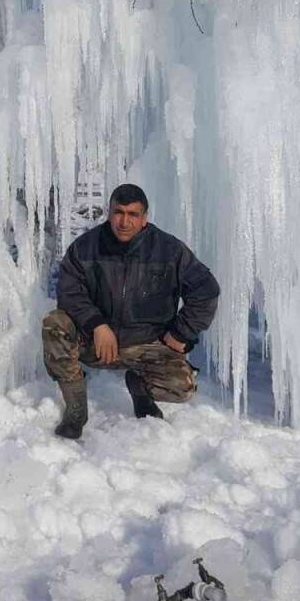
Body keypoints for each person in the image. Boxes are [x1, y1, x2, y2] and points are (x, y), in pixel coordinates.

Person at [42, 183, 220, 439]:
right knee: (54, 323)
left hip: (148, 344)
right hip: (96, 342)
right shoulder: (85, 248)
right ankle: (76, 410)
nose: (124, 222)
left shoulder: (169, 250)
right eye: (119, 212)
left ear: (144, 219)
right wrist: (97, 325)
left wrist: (181, 333)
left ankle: (140, 387)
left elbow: (207, 290)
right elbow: (69, 293)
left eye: (133, 214)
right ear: (109, 213)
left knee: (182, 388)